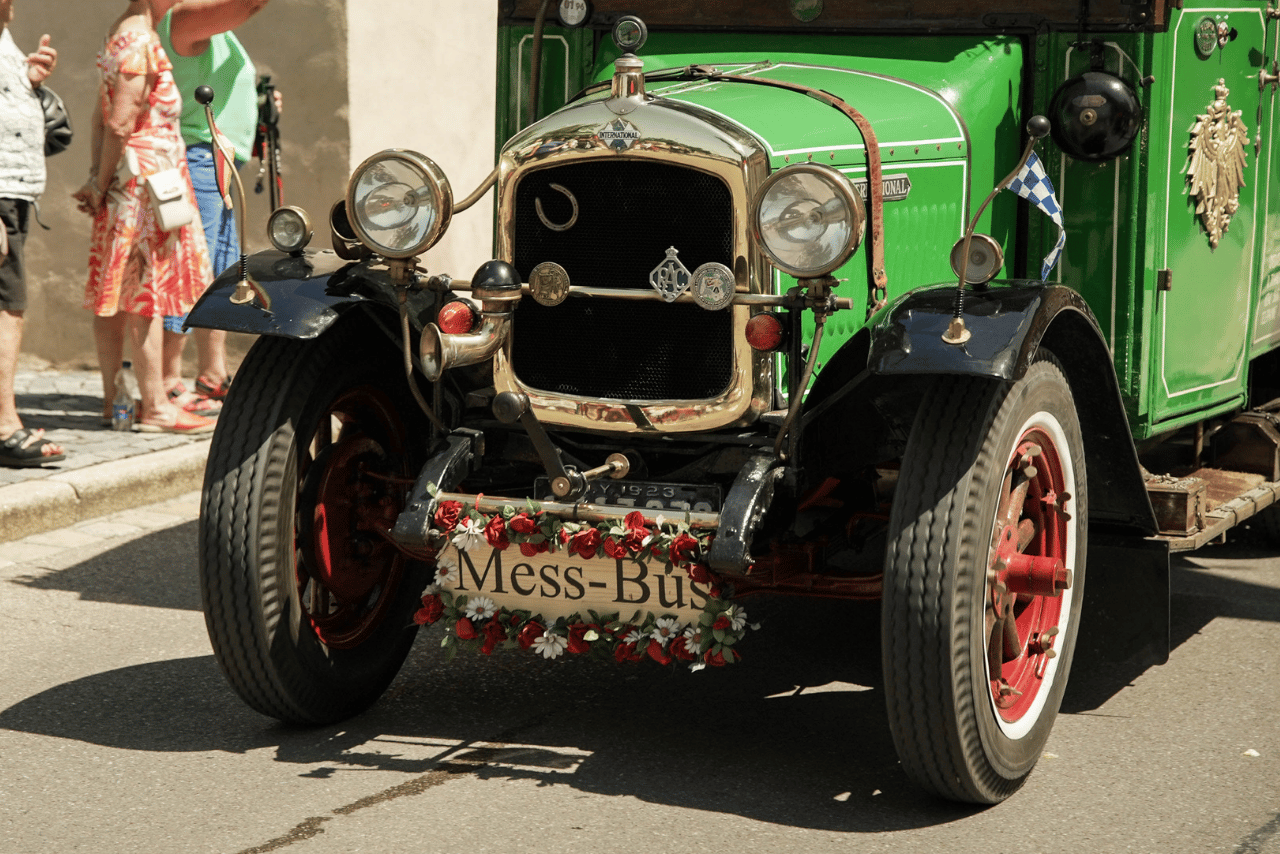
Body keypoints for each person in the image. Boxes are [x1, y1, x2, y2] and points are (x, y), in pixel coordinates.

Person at [73, 0, 216, 433]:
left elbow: (103, 118)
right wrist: (99, 182)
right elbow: (119, 121)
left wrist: (97, 180)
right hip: (144, 190)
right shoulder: (139, 38)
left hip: (128, 184)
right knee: (144, 296)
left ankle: (113, 400)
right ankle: (154, 406)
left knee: (116, 293)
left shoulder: (123, 31)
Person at [158, 0, 272, 415]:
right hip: (198, 157)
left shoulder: (206, 27)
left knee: (220, 268)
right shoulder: (182, 18)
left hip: (218, 159)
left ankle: (212, 373)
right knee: (191, 267)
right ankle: (169, 379)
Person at [0, 0, 65, 466]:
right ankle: (4, 427)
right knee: (7, 307)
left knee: (9, 306)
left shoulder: (6, 39)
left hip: (16, 193)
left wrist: (29, 86)